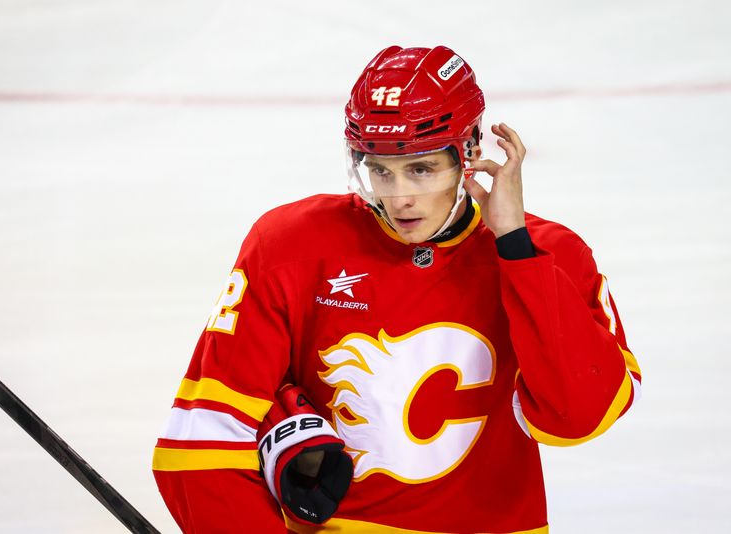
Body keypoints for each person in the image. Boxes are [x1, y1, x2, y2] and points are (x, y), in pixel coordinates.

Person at [152, 45, 642, 534]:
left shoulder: (549, 254)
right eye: (380, 170)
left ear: (470, 151)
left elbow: (576, 419)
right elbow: (202, 439)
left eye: (422, 169)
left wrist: (515, 248)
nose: (399, 197)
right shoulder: (290, 246)